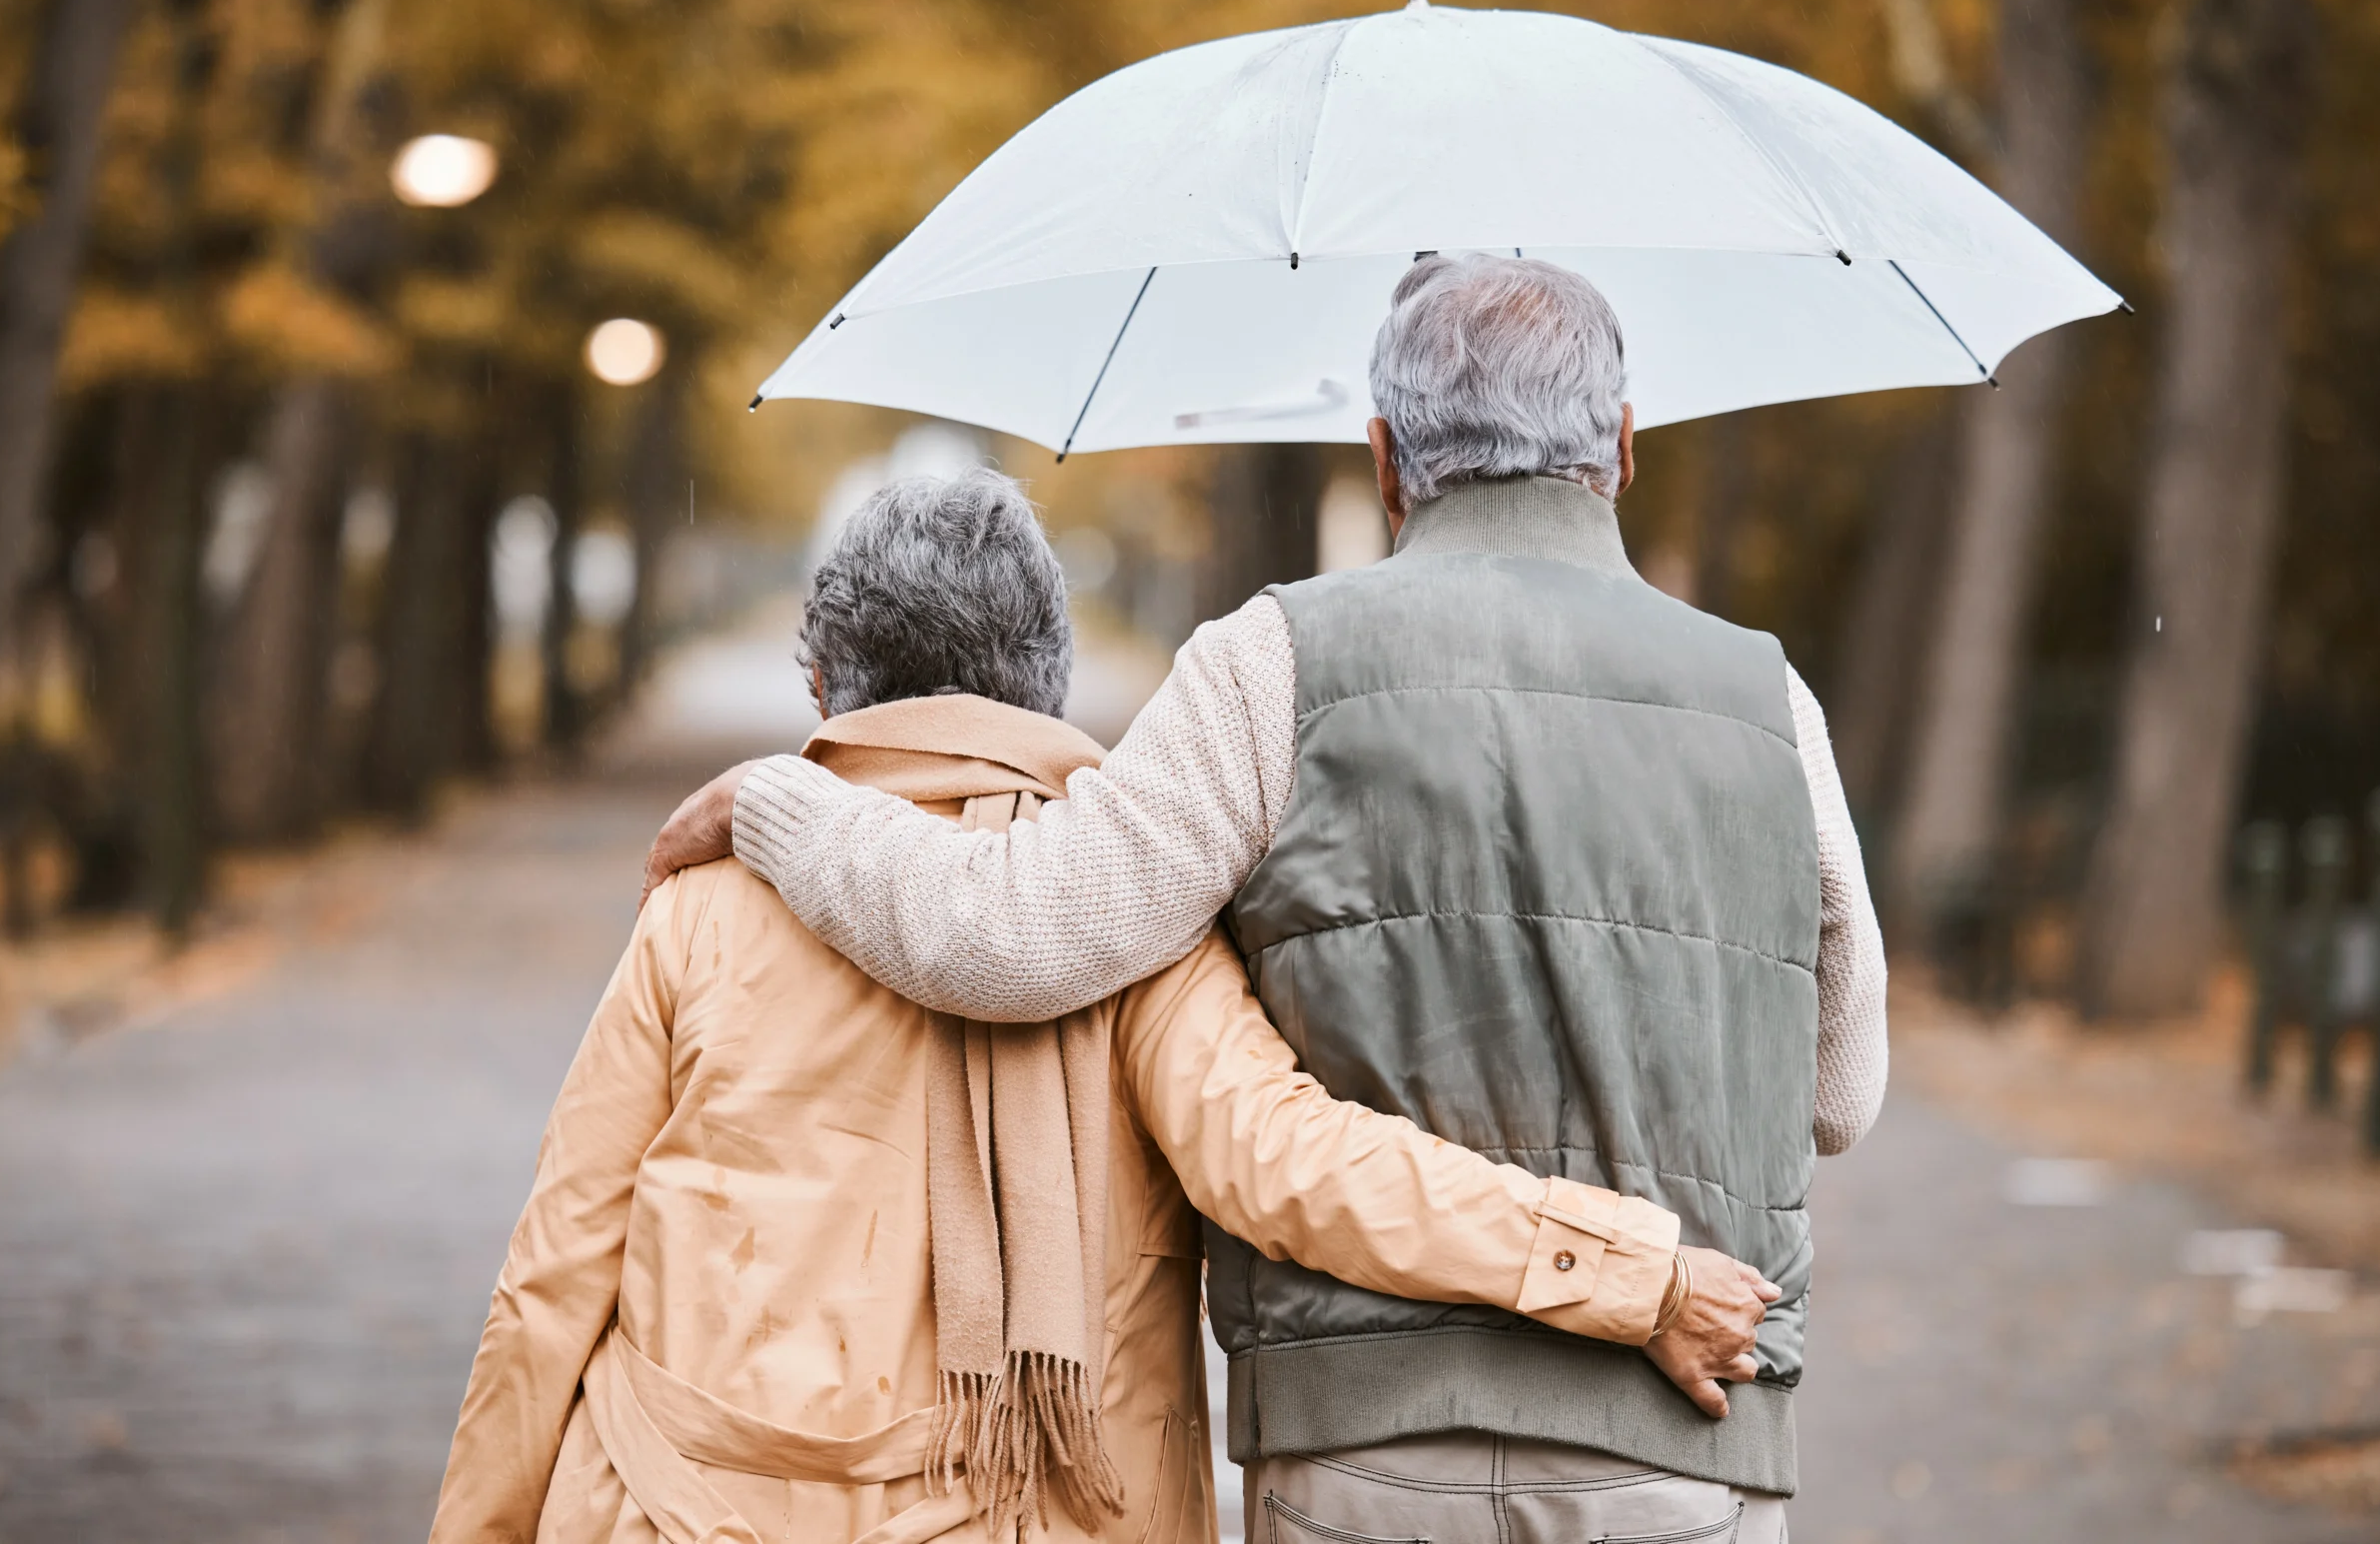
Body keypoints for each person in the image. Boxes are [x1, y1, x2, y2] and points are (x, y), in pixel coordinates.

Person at [642, 256, 1891, 1542]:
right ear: (1621, 449)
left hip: (1367, 1441)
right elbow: (1839, 1095)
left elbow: (1014, 938)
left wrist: (783, 807)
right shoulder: (1769, 701)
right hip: (1679, 1431)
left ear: (1386, 457)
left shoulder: (1273, 664)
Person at [430, 468, 1778, 1544]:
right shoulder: (1137, 928)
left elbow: (550, 1288)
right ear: (1047, 683)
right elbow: (1299, 1167)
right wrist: (1623, 1269)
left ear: (822, 689)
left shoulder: (706, 909)